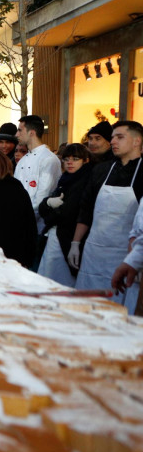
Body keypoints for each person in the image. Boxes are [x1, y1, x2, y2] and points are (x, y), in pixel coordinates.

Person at [69, 121, 143, 314]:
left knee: (117, 313)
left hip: (126, 257)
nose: (113, 142)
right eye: (112, 138)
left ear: (137, 141)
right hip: (94, 253)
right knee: (86, 309)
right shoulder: (101, 170)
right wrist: (76, 243)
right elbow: (86, 209)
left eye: (120, 137)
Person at [37, 143, 92, 286]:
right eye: (66, 159)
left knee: (62, 283)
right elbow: (43, 208)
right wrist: (48, 202)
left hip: (68, 237)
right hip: (55, 237)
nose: (70, 162)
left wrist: (51, 213)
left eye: (75, 159)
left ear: (85, 160)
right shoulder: (64, 179)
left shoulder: (85, 181)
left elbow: (69, 212)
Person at [14, 115, 62, 235]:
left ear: (31, 133)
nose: (16, 134)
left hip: (39, 226)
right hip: (19, 222)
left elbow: (43, 195)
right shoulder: (23, 161)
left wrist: (23, 217)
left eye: (20, 130)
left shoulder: (49, 159)